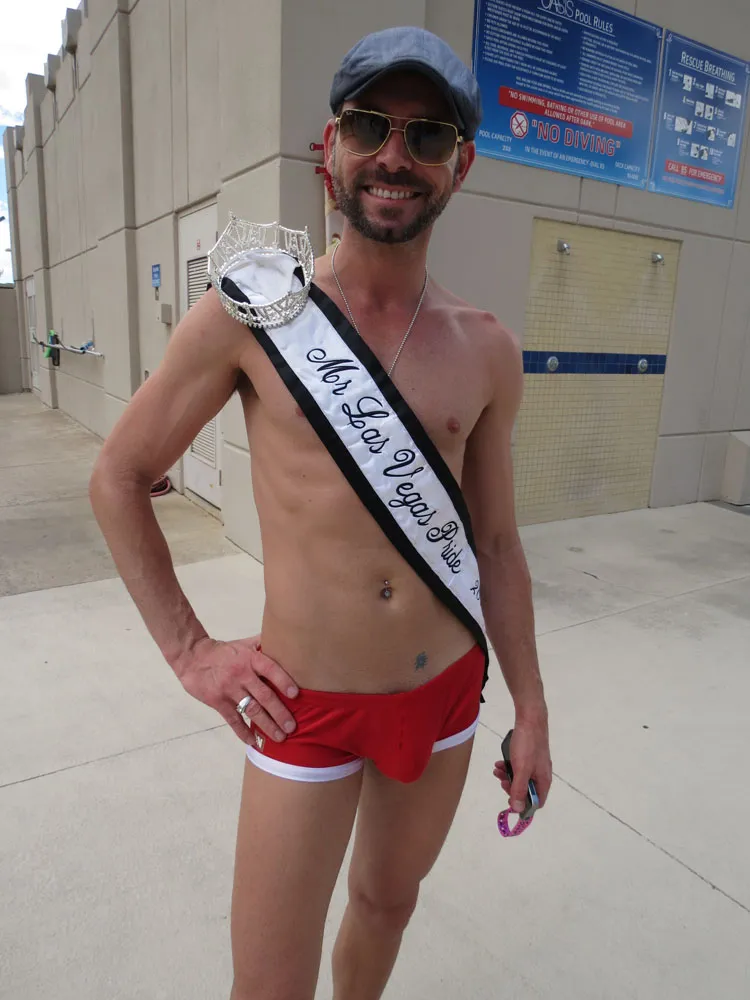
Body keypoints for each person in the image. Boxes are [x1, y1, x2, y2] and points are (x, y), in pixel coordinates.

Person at [90, 26, 552, 1000]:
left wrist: (533, 709)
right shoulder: (253, 315)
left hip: (444, 696)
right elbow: (120, 475)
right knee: (267, 984)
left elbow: (499, 545)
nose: (396, 155)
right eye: (371, 125)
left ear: (461, 165)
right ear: (331, 147)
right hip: (305, 708)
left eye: (428, 136)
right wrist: (191, 651)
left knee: (386, 906)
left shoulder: (487, 347)